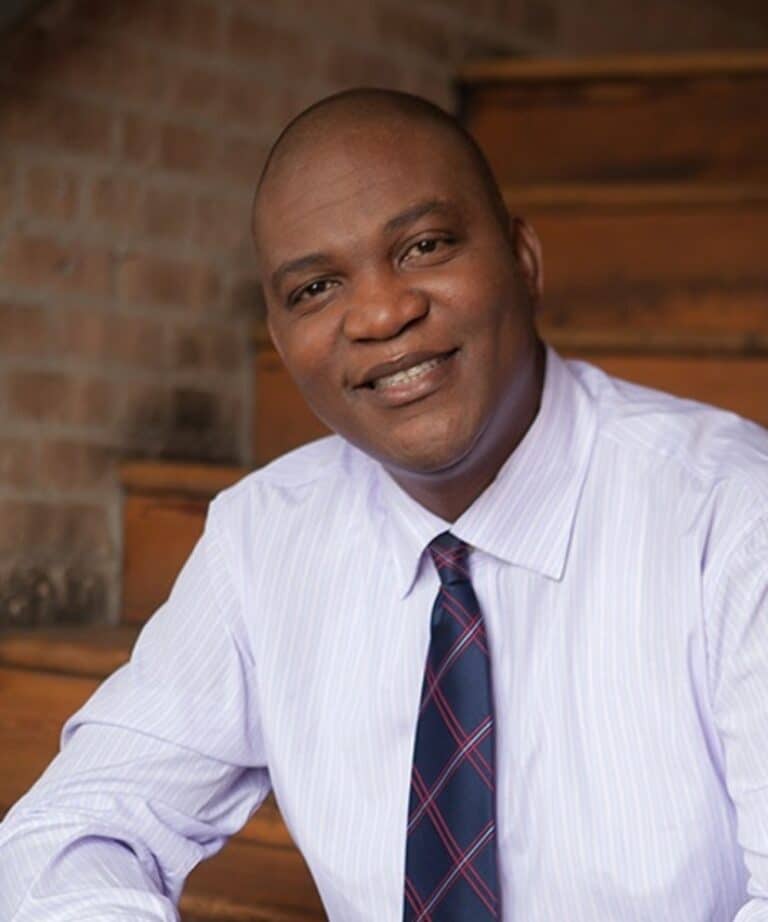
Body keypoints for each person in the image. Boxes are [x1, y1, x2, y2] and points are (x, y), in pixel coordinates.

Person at [1, 87, 767, 922]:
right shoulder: (264, 538)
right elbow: (68, 831)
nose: (379, 312)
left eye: (424, 245)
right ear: (280, 338)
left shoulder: (730, 516)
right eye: (315, 288)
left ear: (524, 259)